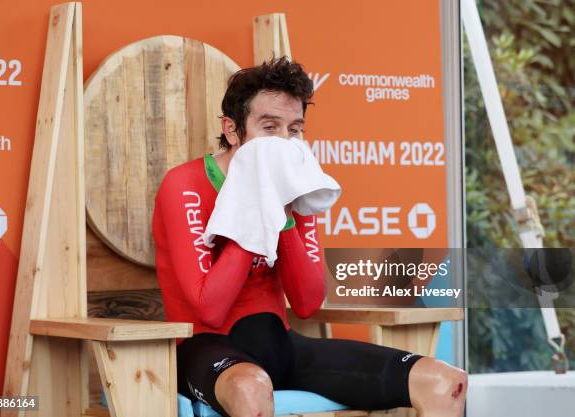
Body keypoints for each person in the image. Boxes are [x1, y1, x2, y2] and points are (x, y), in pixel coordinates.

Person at [152, 57, 467, 417]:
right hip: (205, 351)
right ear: (231, 129)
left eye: (295, 129)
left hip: (280, 346)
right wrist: (254, 208)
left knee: (445, 381)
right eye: (270, 127)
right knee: (250, 390)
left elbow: (306, 302)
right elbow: (209, 309)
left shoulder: (298, 187)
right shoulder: (185, 185)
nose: (285, 142)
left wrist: (284, 216)